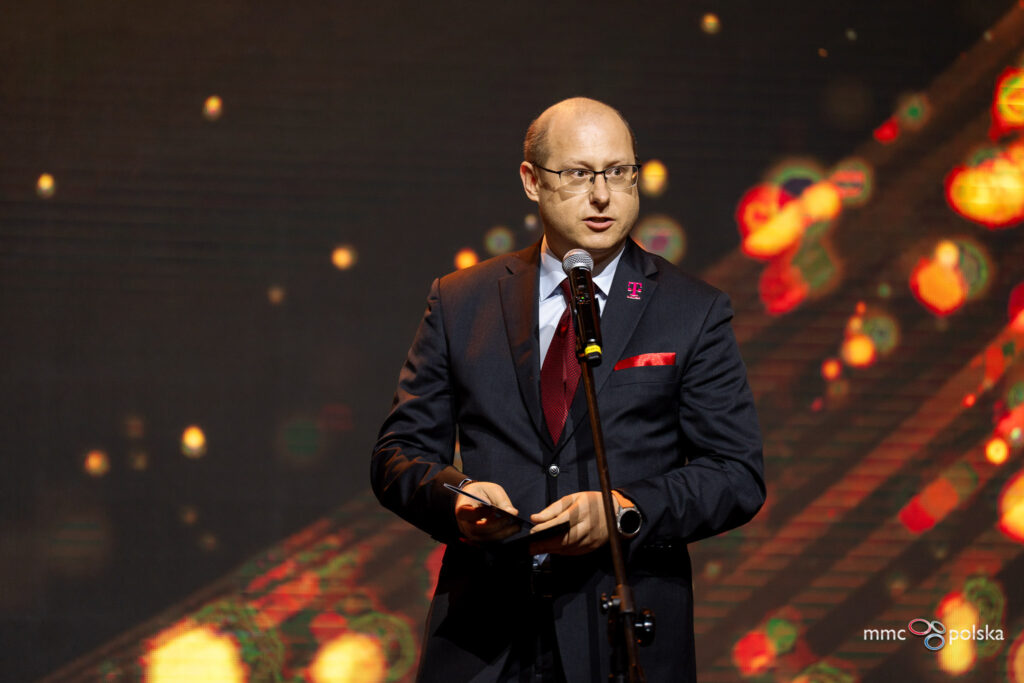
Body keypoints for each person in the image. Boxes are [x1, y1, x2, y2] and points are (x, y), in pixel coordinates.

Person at [371, 97, 765, 682]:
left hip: (620, 638)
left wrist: (624, 511)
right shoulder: (461, 301)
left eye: (619, 172)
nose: (602, 195)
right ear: (532, 181)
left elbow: (735, 473)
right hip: (484, 641)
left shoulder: (692, 310)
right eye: (578, 174)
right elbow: (398, 454)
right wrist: (457, 498)